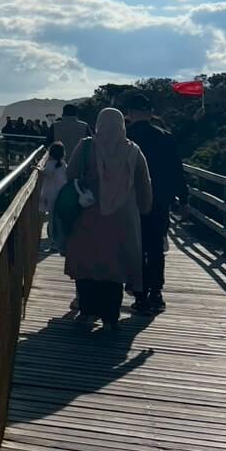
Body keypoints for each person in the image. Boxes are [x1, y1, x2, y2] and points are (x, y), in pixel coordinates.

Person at [63, 107, 152, 333]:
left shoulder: (86, 146)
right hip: (122, 219)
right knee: (115, 269)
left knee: (87, 265)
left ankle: (87, 311)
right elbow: (144, 183)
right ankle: (111, 318)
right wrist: (144, 209)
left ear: (100, 124)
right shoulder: (133, 151)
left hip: (89, 215)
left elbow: (70, 174)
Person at [123, 92, 187, 315]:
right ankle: (156, 292)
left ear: (129, 114)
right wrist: (183, 198)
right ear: (150, 113)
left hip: (130, 201)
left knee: (135, 247)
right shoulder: (165, 137)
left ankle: (139, 294)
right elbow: (176, 170)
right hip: (160, 200)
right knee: (156, 247)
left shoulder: (125, 137)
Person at [38, 142, 68, 252]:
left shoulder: (50, 164)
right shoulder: (64, 164)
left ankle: (54, 244)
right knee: (58, 220)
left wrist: (39, 168)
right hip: (61, 195)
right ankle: (59, 242)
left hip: (52, 196)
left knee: (52, 220)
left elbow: (48, 173)